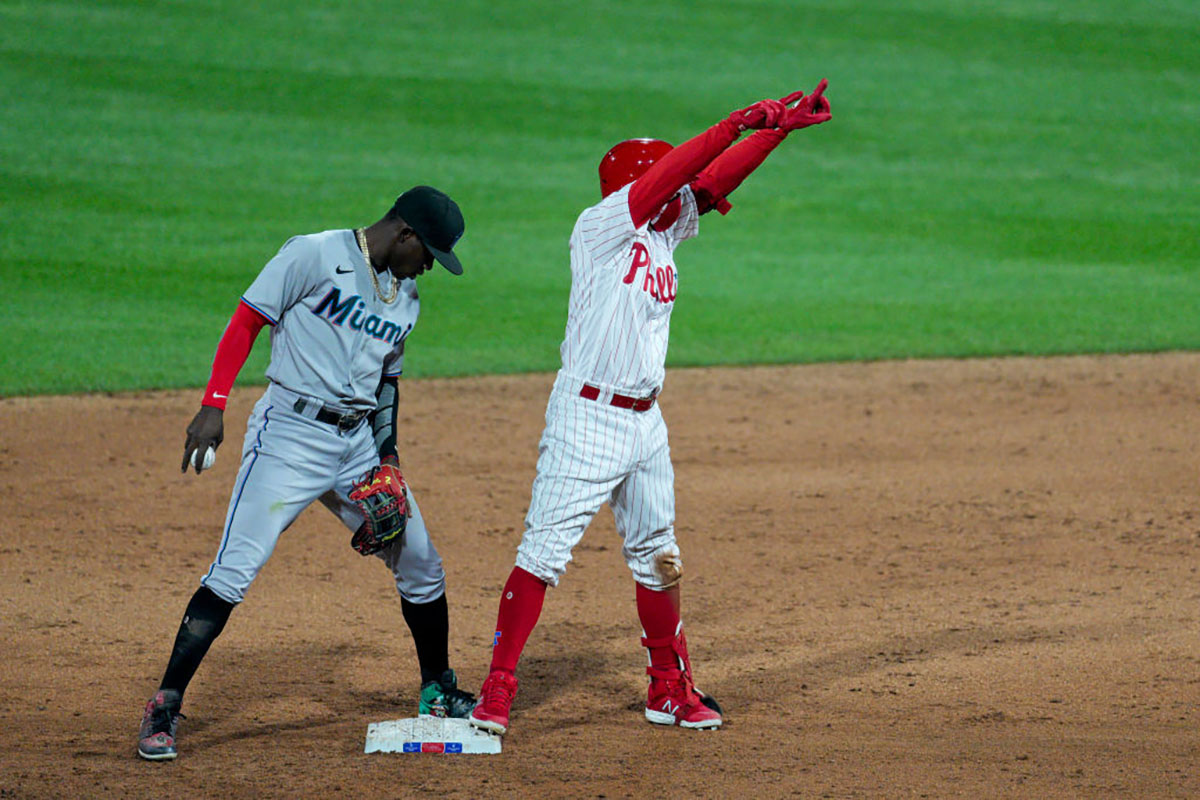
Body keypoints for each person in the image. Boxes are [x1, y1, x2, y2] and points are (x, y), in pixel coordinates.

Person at [468, 82, 832, 735]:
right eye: (671, 179)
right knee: (544, 553)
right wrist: (731, 121)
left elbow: (713, 178)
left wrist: (775, 133)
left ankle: (668, 687)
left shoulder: (666, 231)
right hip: (587, 419)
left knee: (659, 554)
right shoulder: (603, 226)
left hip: (645, 424)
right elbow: (680, 170)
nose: (685, 189)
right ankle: (497, 688)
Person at [137, 185, 477, 761]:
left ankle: (437, 689)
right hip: (288, 439)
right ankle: (165, 704)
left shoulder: (407, 297)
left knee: (421, 561)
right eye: (430, 254)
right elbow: (247, 320)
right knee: (235, 568)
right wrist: (214, 403)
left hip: (356, 449)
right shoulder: (313, 255)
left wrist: (388, 460)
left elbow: (386, 385)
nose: (430, 268)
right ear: (405, 234)